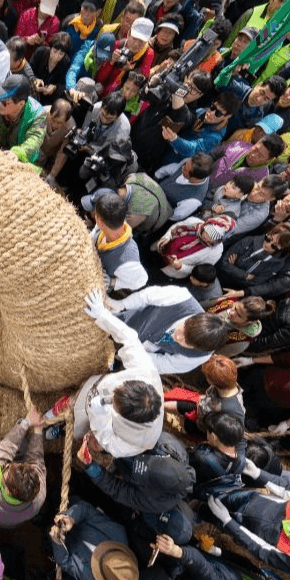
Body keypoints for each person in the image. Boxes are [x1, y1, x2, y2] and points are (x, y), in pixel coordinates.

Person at [73, 289, 163, 456]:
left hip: (98, 422)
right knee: (76, 398)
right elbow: (129, 339)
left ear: (124, 416)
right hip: (98, 388)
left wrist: (100, 415)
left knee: (76, 428)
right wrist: (102, 315)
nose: (113, 396)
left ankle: (66, 429)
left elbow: (107, 440)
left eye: (116, 402)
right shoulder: (145, 372)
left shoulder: (136, 443)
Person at [105, 285, 227, 374]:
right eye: (183, 328)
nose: (178, 336)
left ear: (196, 348)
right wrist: (121, 305)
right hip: (133, 319)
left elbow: (162, 364)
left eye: (185, 342)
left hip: (145, 351)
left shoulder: (198, 356)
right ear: (191, 319)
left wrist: (127, 354)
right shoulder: (182, 297)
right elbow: (147, 296)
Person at [0, 406, 46, 528]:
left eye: (5, 470)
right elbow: (37, 461)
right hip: (12, 522)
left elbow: (4, 449)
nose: (7, 466)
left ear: (7, 490)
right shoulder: (39, 497)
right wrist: (38, 430)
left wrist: (26, 423)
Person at [50, 500, 139, 580]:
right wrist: (71, 518)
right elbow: (87, 510)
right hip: (69, 505)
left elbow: (65, 562)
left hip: (52, 537)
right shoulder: (118, 534)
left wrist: (58, 542)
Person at [89, 190, 148, 292]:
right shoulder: (113, 220)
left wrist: (113, 282)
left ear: (98, 220)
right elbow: (95, 232)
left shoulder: (127, 259)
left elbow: (141, 281)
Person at [0, 74, 46, 164]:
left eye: (4, 102)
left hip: (23, 158)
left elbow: (35, 139)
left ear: (20, 104)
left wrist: (17, 152)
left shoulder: (38, 114)